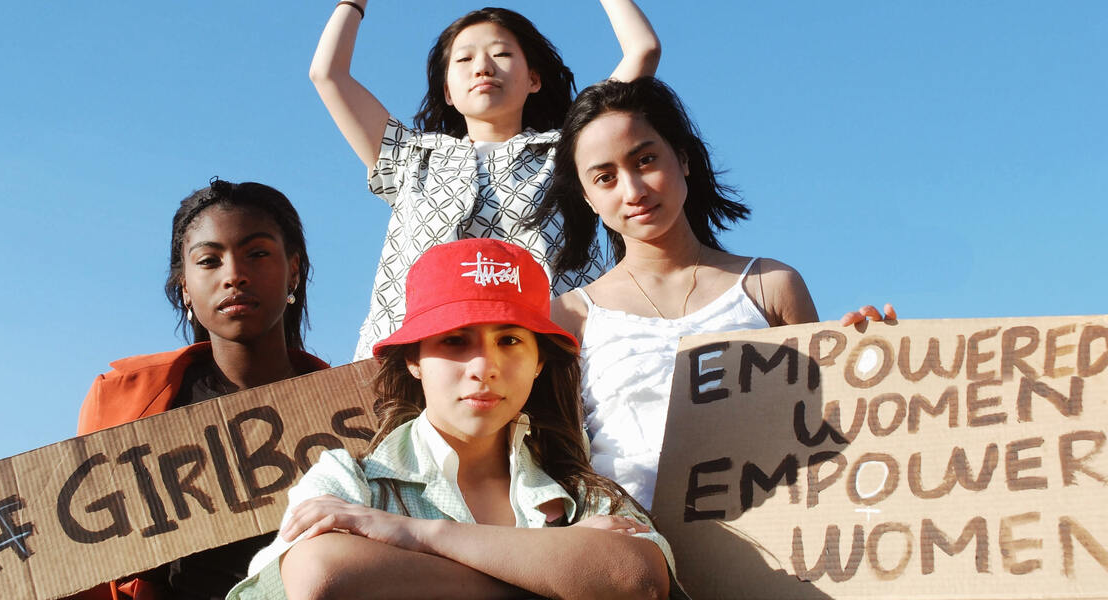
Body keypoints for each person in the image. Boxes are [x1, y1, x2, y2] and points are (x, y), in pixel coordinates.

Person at [228, 238, 684, 599]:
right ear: (413, 360)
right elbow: (322, 576)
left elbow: (639, 578)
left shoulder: (579, 492)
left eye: (509, 341)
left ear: (539, 361)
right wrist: (557, 574)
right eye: (454, 341)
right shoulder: (350, 483)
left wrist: (412, 533)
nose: (483, 366)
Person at [529, 77, 895, 509]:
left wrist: (875, 360)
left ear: (683, 158)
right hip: (634, 550)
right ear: (588, 198)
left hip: (772, 538)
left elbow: (820, 425)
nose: (633, 190)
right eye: (605, 178)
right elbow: (558, 459)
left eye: (645, 160)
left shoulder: (771, 286)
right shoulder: (568, 316)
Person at [309, 1, 662, 359]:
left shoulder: (571, 148)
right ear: (448, 90)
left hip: (547, 359)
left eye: (502, 53)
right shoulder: (409, 156)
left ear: (533, 79)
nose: (482, 67)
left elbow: (643, 49)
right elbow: (328, 74)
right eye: (463, 60)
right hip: (417, 364)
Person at [73, 179, 330, 600]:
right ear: (185, 287)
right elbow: (78, 563)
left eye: (258, 254)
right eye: (210, 261)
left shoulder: (355, 411)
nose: (235, 276)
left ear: (294, 271)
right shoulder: (122, 400)